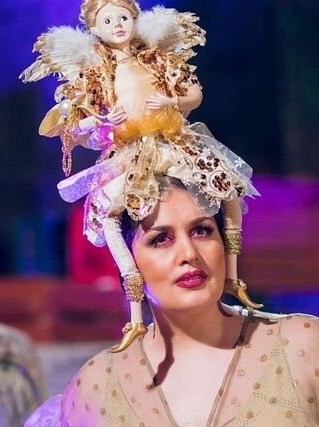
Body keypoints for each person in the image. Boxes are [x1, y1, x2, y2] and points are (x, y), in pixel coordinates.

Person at [24, 177, 319, 426]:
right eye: (161, 239)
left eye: (201, 231)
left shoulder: (302, 347)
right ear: (128, 261)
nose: (189, 254)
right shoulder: (97, 389)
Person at [20, 0, 259, 353]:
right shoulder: (95, 75)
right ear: (95, 29)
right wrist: (100, 121)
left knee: (228, 189)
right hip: (128, 154)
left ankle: (233, 278)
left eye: (123, 17)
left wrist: (170, 103)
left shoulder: (157, 59)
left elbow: (193, 93)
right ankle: (134, 315)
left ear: (136, 19)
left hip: (170, 141)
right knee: (110, 219)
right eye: (108, 20)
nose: (118, 25)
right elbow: (67, 127)